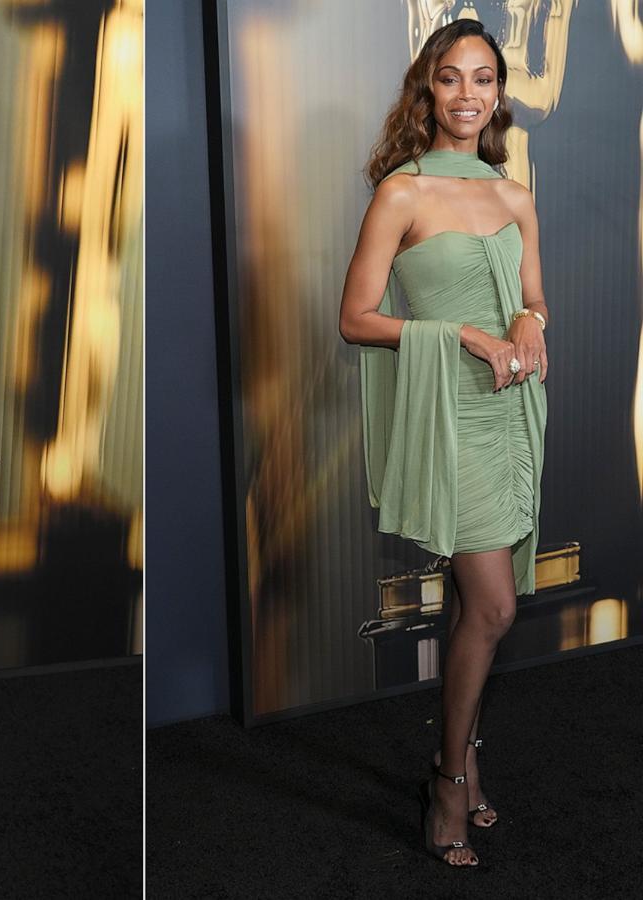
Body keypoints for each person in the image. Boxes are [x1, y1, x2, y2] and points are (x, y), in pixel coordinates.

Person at [339, 19, 548, 869]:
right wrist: (460, 334)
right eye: (452, 79)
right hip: (449, 418)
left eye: (485, 80)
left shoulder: (514, 196)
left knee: (480, 605)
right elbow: (355, 319)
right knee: (493, 606)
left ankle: (458, 755)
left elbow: (534, 296)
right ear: (428, 91)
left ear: (500, 93)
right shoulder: (402, 191)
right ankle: (450, 779)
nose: (469, 95)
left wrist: (530, 326)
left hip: (512, 411)